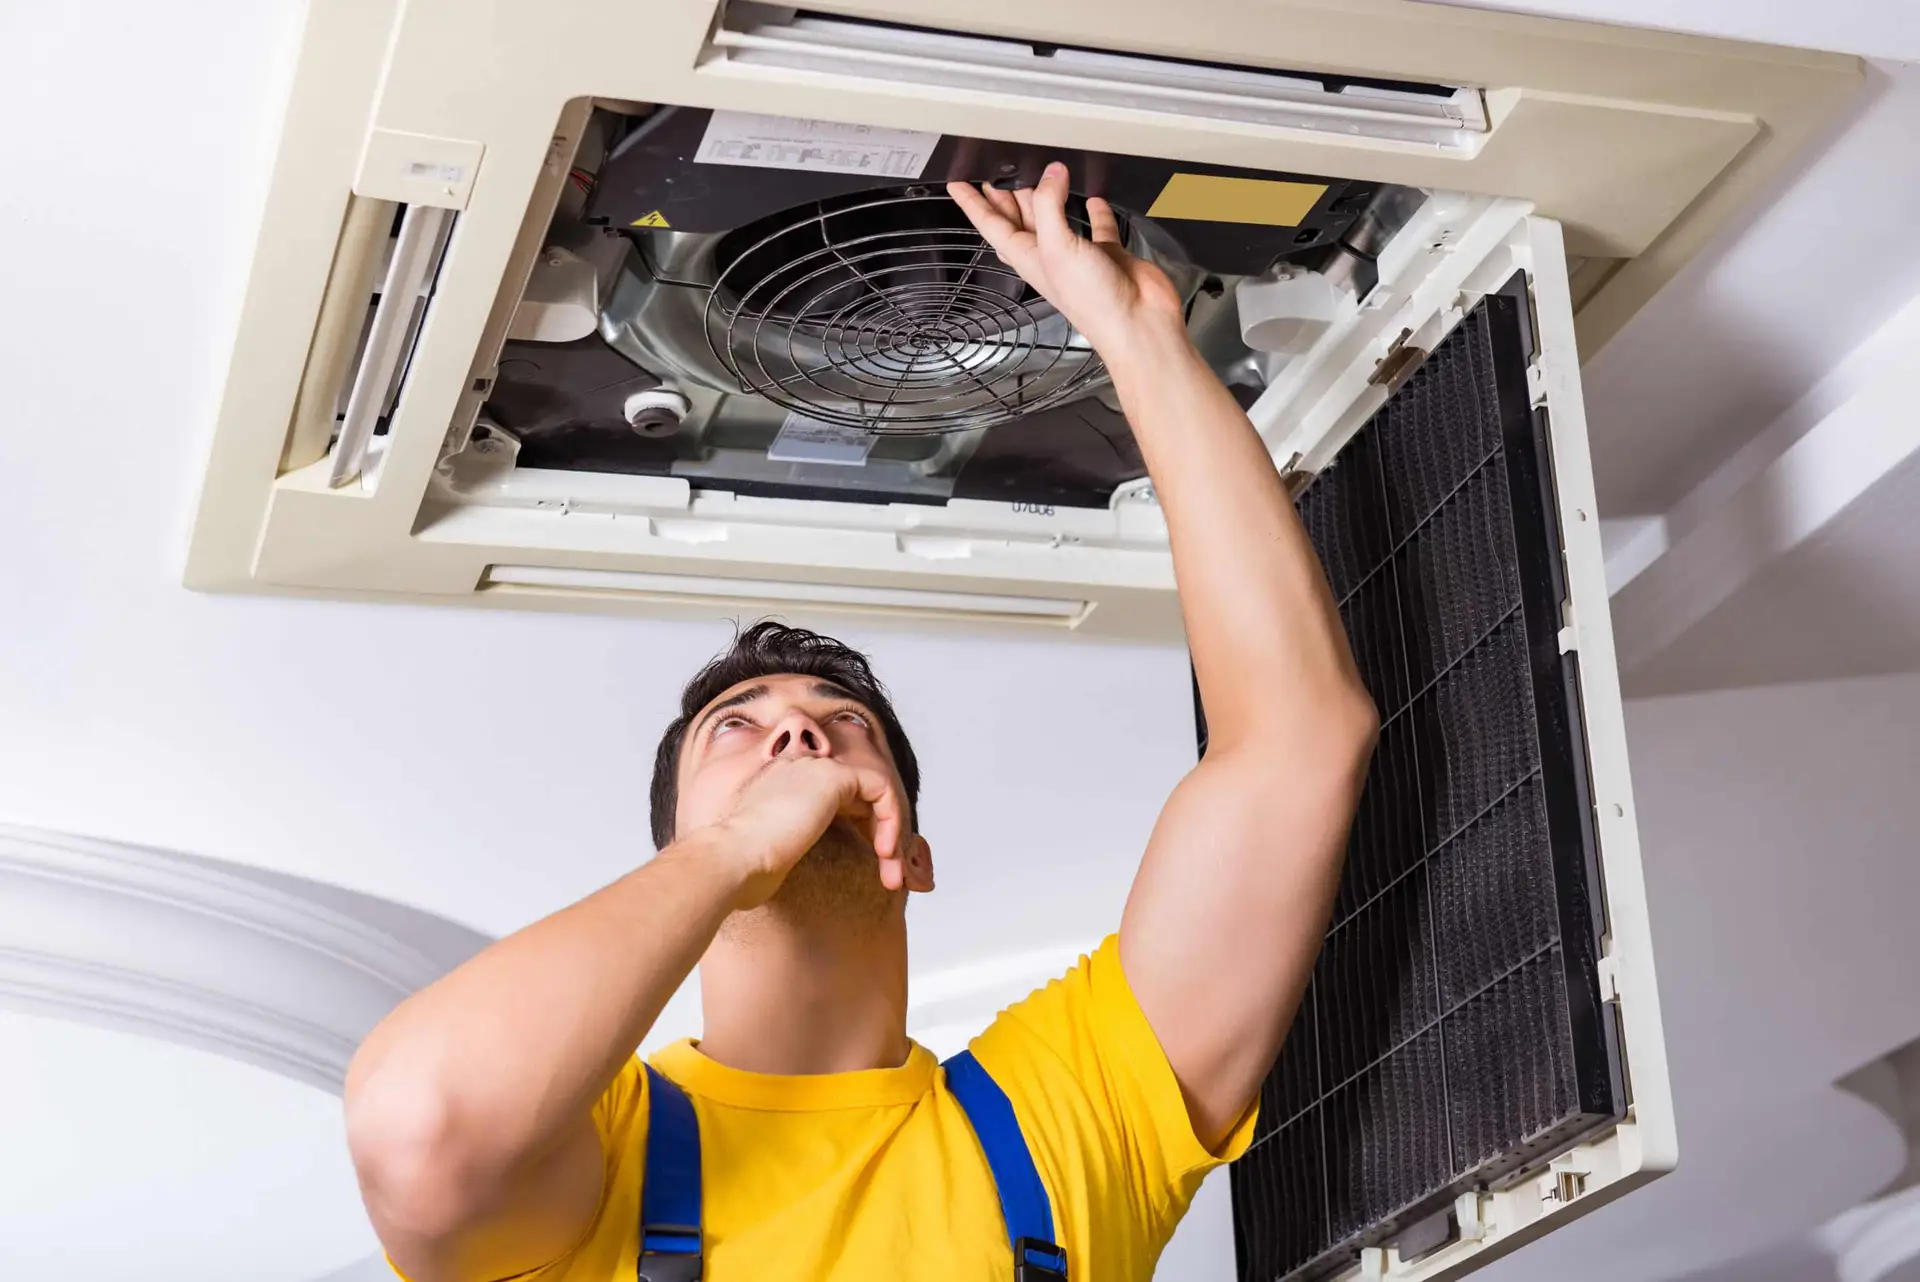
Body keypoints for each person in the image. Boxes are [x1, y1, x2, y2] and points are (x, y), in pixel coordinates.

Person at [344, 161, 1380, 1282]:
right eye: (736, 728)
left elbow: (1297, 742)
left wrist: (1136, 336)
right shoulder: (597, 1160)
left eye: (845, 725)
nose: (799, 735)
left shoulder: (1058, 1118)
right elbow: (420, 1124)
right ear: (675, 850)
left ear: (911, 850)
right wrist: (735, 853)